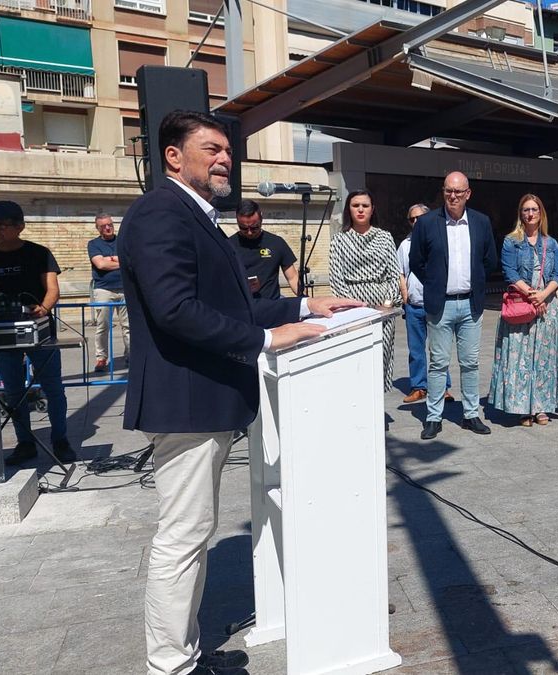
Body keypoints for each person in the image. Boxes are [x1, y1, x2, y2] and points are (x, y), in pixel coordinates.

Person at [117, 110, 361, 675]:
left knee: (194, 532)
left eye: (228, 150)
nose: (225, 158)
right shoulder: (161, 212)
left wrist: (306, 306)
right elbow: (176, 311)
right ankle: (171, 665)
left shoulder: (199, 217)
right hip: (188, 402)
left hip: (208, 400)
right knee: (183, 537)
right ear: (174, 156)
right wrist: (267, 338)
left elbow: (235, 307)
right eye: (211, 148)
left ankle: (183, 654)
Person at [409, 171, 498, 440]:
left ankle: (471, 414)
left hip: (470, 304)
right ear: (443, 192)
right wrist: (435, 284)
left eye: (459, 191)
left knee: (470, 363)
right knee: (438, 364)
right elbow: (416, 262)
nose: (453, 196)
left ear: (468, 193)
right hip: (441, 305)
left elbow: (489, 260)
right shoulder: (426, 223)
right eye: (449, 190)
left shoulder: (481, 222)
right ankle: (434, 417)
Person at [0, 200, 74, 465]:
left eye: (2, 225)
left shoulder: (39, 253)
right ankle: (25, 443)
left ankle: (60, 439)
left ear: (19, 227)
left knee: (53, 387)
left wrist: (43, 308)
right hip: (3, 333)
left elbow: (52, 289)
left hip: (40, 331)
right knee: (14, 392)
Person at [488, 194, 558, 426]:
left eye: (534, 209)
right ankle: (522, 407)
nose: (530, 214)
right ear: (520, 214)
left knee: (543, 359)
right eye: (525, 210)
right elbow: (510, 272)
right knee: (520, 359)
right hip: (522, 306)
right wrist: (533, 296)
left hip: (546, 307)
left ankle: (541, 406)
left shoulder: (550, 243)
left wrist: (544, 295)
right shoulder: (511, 241)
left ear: (540, 213)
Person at [328, 190, 405, 392]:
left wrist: (388, 303)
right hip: (352, 308)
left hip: (383, 307)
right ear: (348, 210)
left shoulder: (384, 237)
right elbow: (336, 279)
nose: (360, 210)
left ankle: (376, 408)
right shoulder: (339, 240)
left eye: (365, 205)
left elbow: (393, 273)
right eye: (355, 205)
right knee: (355, 357)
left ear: (372, 209)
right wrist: (352, 308)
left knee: (380, 355)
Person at [396, 204, 450, 404]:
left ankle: (443, 387)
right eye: (412, 219)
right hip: (414, 303)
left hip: (435, 303)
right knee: (416, 349)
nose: (416, 222)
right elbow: (400, 272)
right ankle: (419, 387)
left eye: (420, 217)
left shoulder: (439, 240)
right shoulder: (405, 245)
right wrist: (404, 294)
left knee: (439, 348)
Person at [229, 199, 299, 300]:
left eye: (254, 227)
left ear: (261, 219)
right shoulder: (229, 245)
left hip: (272, 305)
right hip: (242, 306)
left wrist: (307, 300)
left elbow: (292, 278)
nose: (249, 232)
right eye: (243, 228)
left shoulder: (277, 243)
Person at [87, 211, 130, 372]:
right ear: (98, 228)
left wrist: (110, 259)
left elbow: (131, 258)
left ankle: (131, 355)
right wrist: (120, 260)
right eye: (104, 226)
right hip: (103, 289)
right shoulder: (93, 244)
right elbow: (100, 265)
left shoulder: (123, 241)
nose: (108, 228)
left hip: (125, 288)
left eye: (110, 225)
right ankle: (101, 358)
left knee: (128, 325)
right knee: (103, 326)